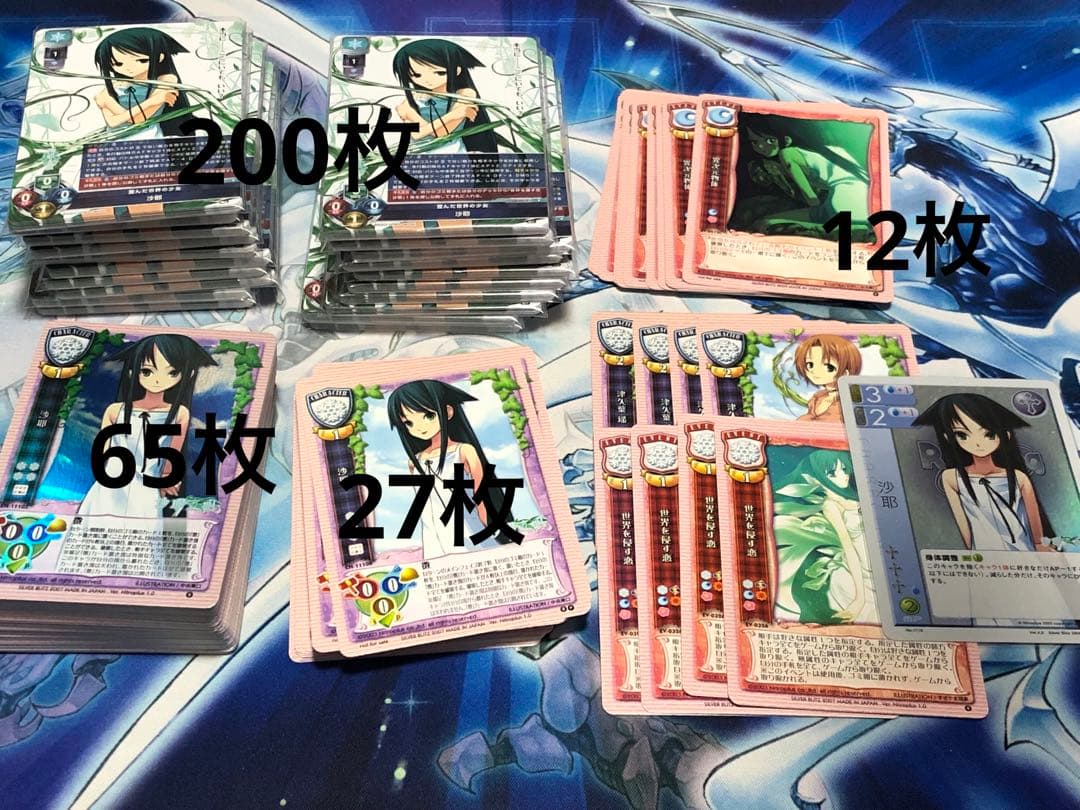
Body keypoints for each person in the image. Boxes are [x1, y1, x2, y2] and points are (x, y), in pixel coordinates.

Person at [78, 334, 216, 533]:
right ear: (133, 371)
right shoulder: (115, 410)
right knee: (99, 529)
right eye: (147, 371)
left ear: (187, 375)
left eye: (172, 372)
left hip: (148, 483)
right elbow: (103, 448)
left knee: (144, 532)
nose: (158, 380)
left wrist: (167, 477)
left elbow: (173, 452)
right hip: (111, 481)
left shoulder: (179, 413)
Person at [387, 379, 515, 558]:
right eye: (408, 423)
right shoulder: (414, 461)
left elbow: (481, 492)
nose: (419, 428)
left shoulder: (464, 451)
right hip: (433, 534)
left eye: (428, 416)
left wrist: (490, 523)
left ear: (447, 411)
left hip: (468, 527)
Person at [912, 393, 1053, 552]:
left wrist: (1039, 544)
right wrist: (972, 555)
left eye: (989, 434)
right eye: (962, 435)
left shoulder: (1019, 478)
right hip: (984, 553)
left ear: (1005, 435)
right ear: (949, 437)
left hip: (1023, 550)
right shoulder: (951, 477)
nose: (978, 443)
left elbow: (1033, 518)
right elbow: (963, 524)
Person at [773, 449, 877, 625]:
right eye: (832, 473)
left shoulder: (859, 493)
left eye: (844, 469)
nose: (842, 476)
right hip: (861, 568)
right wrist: (859, 599)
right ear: (820, 476)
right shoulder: (831, 506)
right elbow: (849, 548)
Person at [742, 120, 872, 239]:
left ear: (786, 139)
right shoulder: (828, 151)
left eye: (770, 140)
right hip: (860, 200)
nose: (761, 146)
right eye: (755, 142)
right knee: (766, 222)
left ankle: (849, 229)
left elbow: (810, 197)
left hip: (845, 200)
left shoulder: (787, 154)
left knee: (769, 225)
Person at [392, 38, 498, 154]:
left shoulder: (465, 94)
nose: (428, 80)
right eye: (417, 75)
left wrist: (411, 114)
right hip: (418, 155)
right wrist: (454, 114)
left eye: (440, 72)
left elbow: (442, 133)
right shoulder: (413, 97)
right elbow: (416, 135)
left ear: (457, 70)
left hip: (452, 153)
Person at [93, 26, 193, 139]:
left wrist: (108, 102)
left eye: (142, 60)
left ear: (160, 57)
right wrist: (153, 101)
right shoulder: (115, 84)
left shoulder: (166, 80)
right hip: (114, 140)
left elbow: (139, 120)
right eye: (118, 64)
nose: (129, 68)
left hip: (147, 138)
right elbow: (112, 122)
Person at [793, 334, 862, 422]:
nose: (815, 371)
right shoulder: (817, 397)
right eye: (810, 365)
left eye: (828, 367)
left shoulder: (848, 401)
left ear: (845, 372)